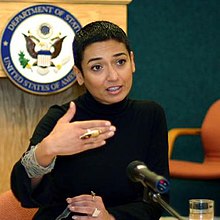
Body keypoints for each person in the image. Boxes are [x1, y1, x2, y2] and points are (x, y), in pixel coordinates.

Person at [11, 20, 170, 220]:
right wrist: (46, 150)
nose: (113, 76)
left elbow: (158, 201)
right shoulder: (61, 118)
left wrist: (110, 217)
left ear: (132, 61)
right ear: (79, 74)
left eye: (120, 62)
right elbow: (24, 194)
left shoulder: (150, 115)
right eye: (97, 67)